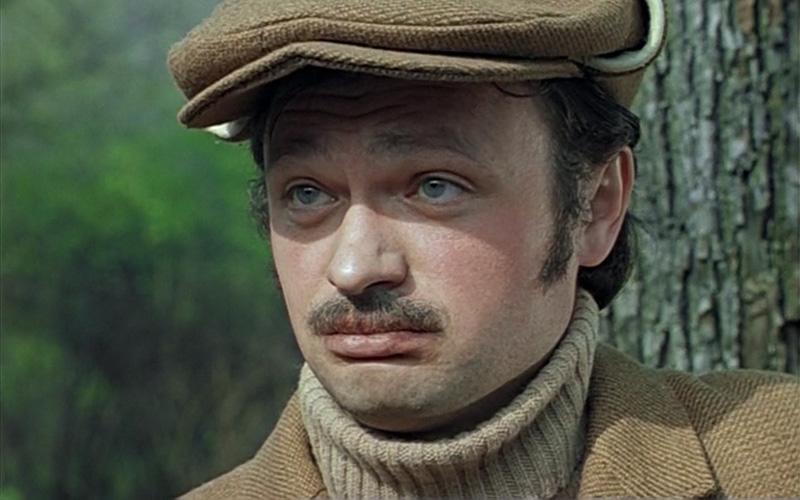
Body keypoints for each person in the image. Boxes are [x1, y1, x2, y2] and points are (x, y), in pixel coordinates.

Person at [167, 0, 799, 497]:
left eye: (434, 186)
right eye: (308, 194)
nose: (355, 268)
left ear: (595, 204)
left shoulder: (774, 466)